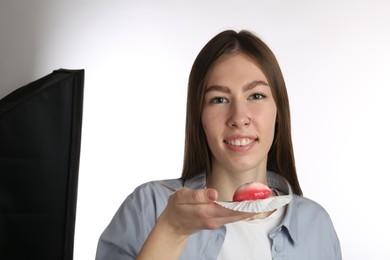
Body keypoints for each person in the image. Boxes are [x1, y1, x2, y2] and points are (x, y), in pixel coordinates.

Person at [95, 29, 342, 260]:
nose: (238, 118)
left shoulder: (316, 225)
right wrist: (172, 230)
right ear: (199, 115)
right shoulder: (149, 207)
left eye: (256, 96)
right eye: (219, 99)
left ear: (279, 111)